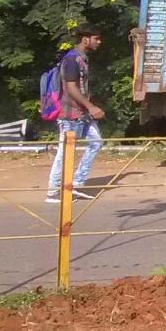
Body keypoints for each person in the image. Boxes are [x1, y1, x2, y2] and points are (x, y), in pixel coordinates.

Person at [45, 25, 105, 203]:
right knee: (64, 153)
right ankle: (53, 192)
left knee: (96, 143)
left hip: (82, 114)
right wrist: (91, 107)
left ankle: (76, 184)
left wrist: (87, 109)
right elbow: (70, 88)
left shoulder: (81, 58)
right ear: (85, 39)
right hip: (69, 115)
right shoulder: (72, 59)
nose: (99, 42)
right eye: (96, 38)